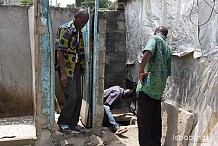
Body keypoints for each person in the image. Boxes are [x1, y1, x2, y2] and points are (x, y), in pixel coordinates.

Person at [136, 26, 172, 146]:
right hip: (158, 91)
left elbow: (148, 52)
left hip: (147, 88)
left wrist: (141, 70)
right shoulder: (168, 48)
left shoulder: (155, 39)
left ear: (156, 32)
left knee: (144, 121)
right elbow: (168, 72)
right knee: (155, 121)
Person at [55, 9, 89, 134]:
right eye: (83, 21)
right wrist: (62, 73)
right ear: (76, 17)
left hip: (75, 67)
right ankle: (63, 121)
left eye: (86, 23)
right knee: (72, 96)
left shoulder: (79, 31)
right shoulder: (66, 29)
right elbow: (60, 51)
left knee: (79, 96)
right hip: (67, 68)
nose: (84, 24)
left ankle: (73, 123)